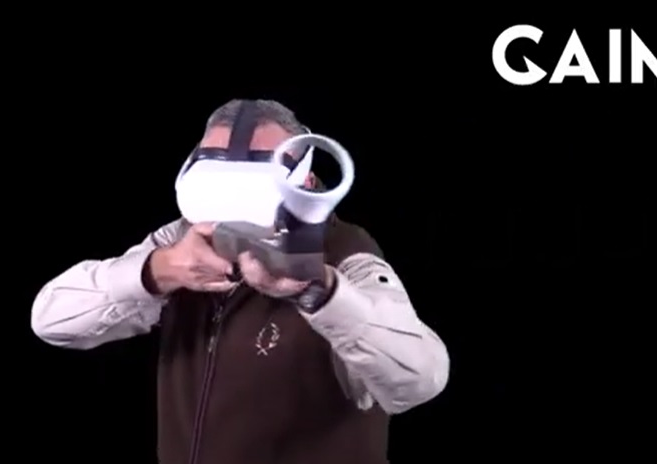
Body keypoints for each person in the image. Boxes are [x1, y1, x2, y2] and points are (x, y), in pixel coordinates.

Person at [30, 99, 450, 464]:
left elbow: (420, 379)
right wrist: (158, 270)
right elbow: (51, 319)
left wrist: (320, 292)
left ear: (304, 180)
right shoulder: (182, 240)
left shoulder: (344, 252)